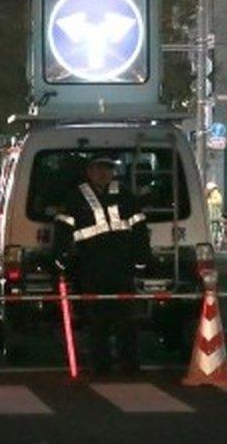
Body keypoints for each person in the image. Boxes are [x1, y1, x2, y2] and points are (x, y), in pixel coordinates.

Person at [50, 153, 153, 375]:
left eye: (107, 168)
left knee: (127, 321)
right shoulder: (76, 198)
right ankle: (101, 365)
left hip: (122, 267)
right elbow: (63, 229)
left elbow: (140, 229)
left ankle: (129, 364)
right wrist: (60, 259)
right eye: (98, 168)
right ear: (89, 172)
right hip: (91, 267)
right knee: (97, 321)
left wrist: (141, 260)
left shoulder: (125, 195)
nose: (103, 173)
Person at [205, 182, 223, 247]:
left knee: (213, 232)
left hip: (213, 219)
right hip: (214, 219)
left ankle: (214, 244)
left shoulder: (212, 198)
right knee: (215, 232)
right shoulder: (216, 197)